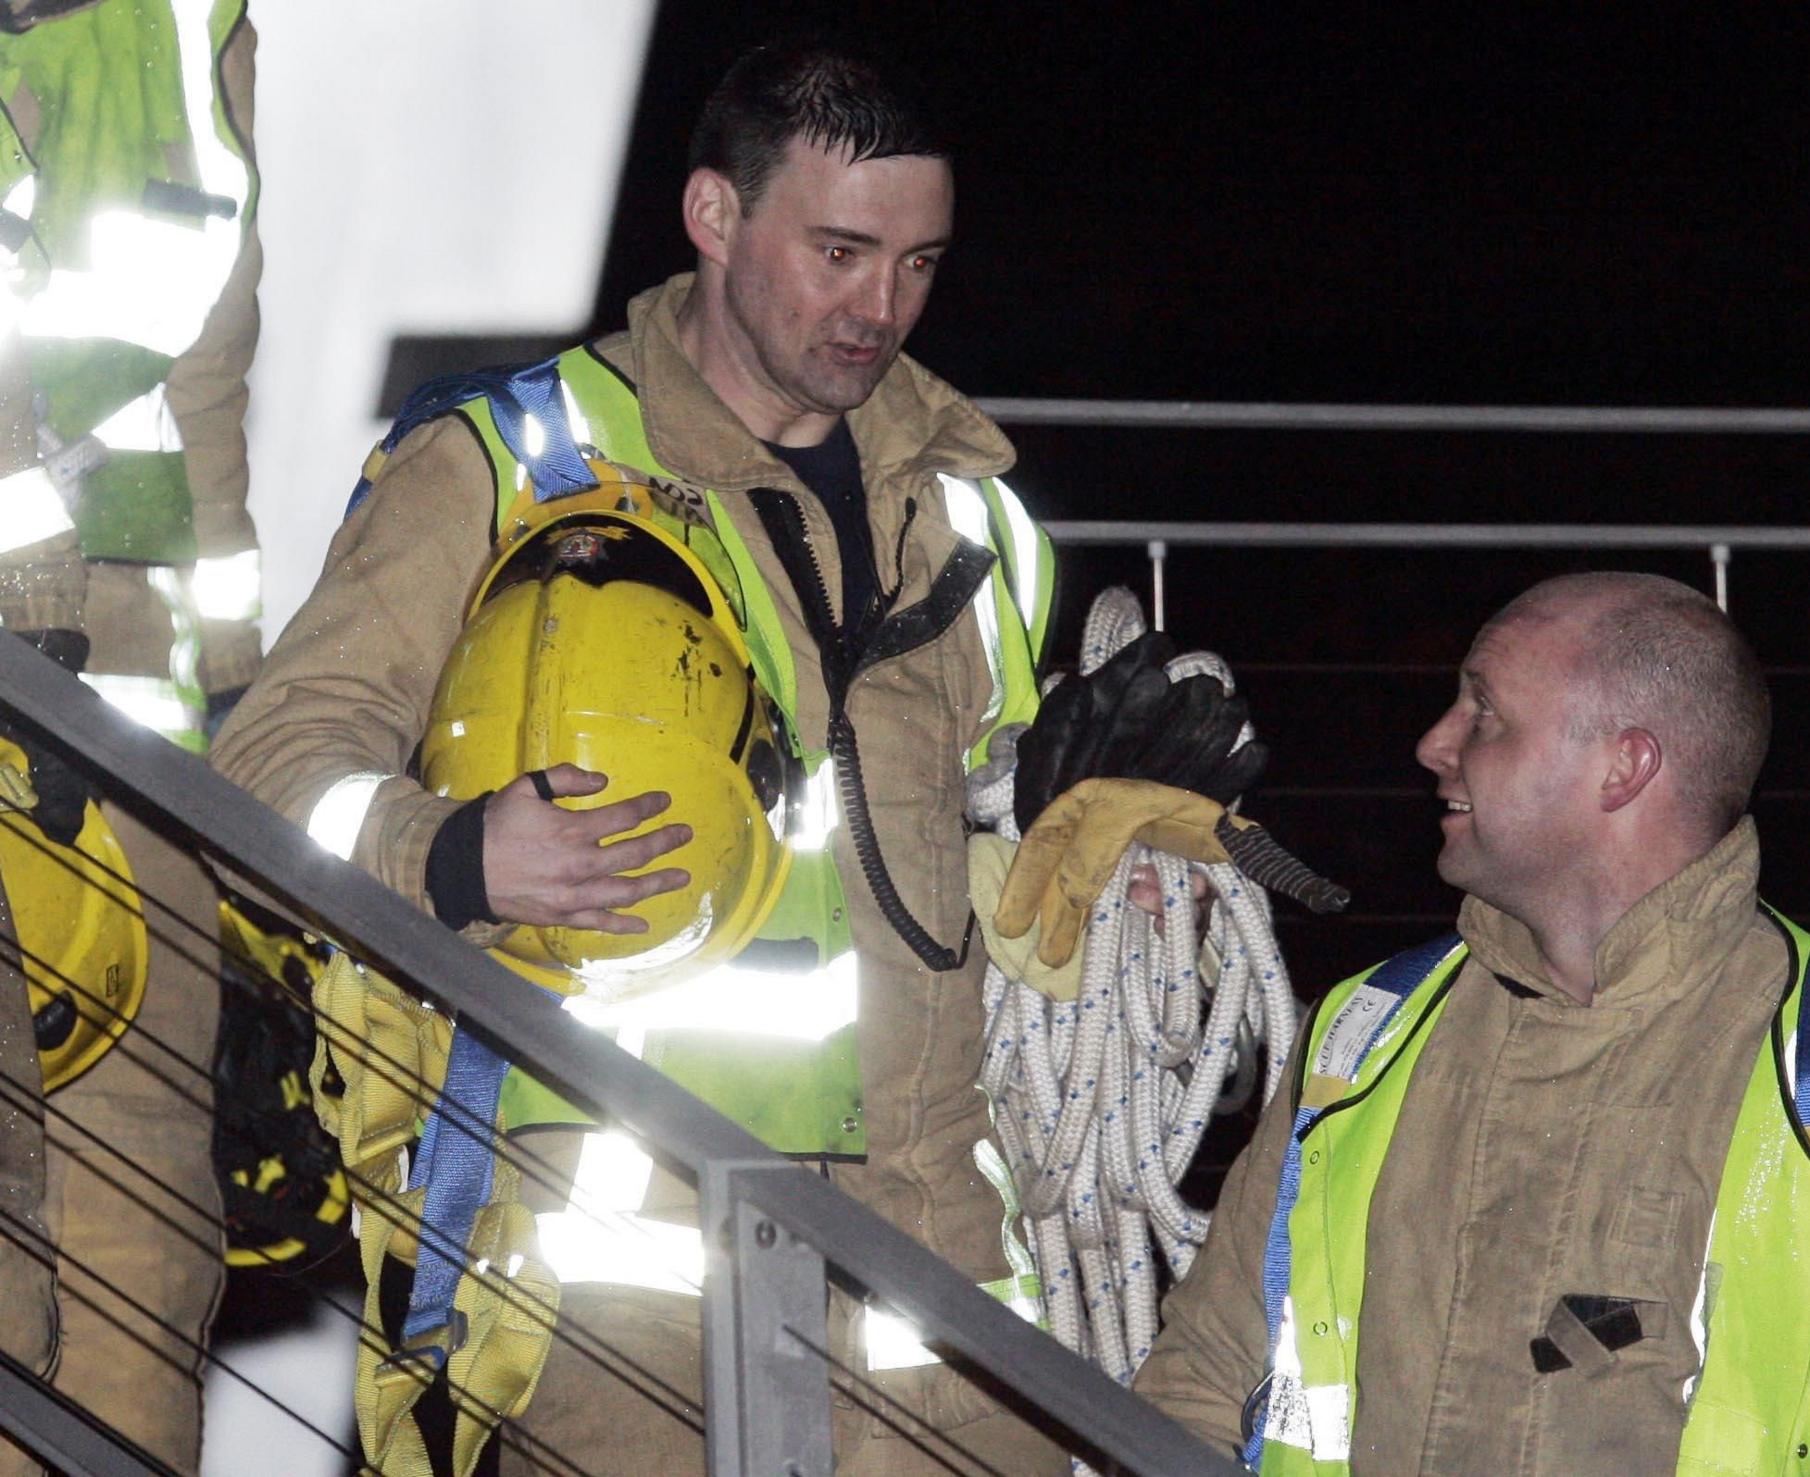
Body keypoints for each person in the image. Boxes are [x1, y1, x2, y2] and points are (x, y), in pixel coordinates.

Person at [211, 39, 1069, 1476]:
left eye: (920, 263)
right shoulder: (510, 459)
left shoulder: (975, 516)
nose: (883, 309)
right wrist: (452, 850)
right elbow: (264, 766)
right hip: (616, 1276)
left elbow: (1017, 837)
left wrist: (1128, 844)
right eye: (843, 251)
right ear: (715, 216)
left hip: (940, 1273)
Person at [1134, 571, 1810, 1474]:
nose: (1433, 744)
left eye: (1482, 712)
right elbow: (1201, 1381)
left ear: (1625, 766)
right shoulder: (1363, 1037)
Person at [0, 2, 262, 1469]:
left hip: (126, 736)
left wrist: (239, 686)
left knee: (137, 1276)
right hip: (43, 683)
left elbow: (208, 381)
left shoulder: (190, 26)